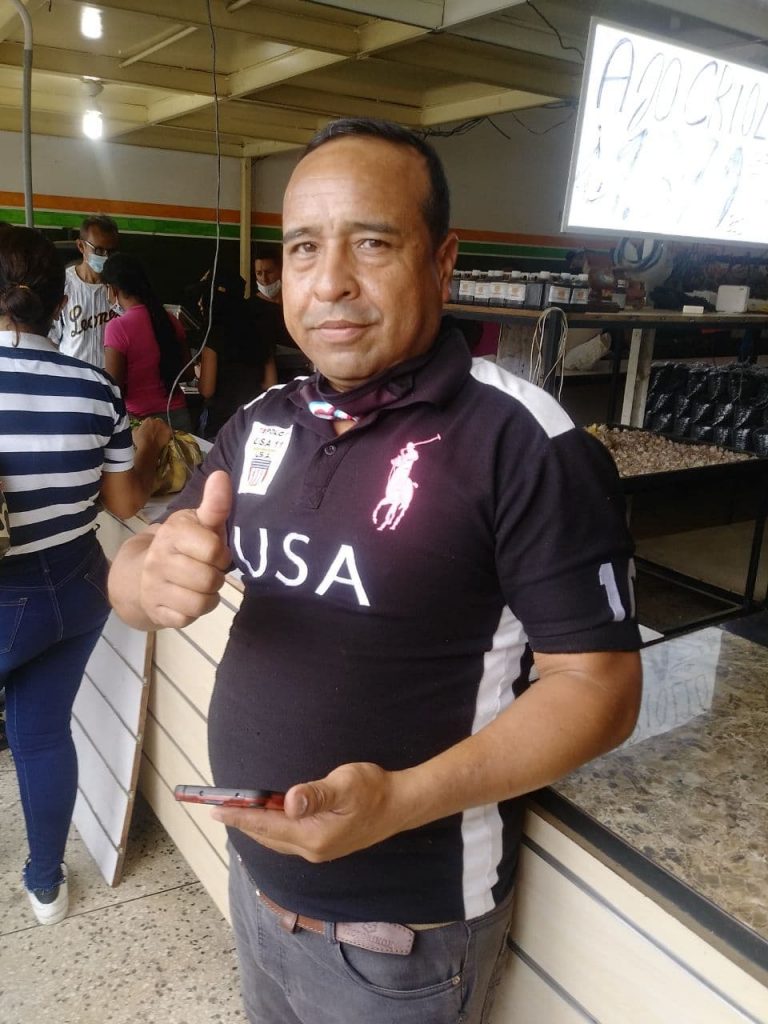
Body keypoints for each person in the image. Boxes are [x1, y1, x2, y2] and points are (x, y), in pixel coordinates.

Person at [107, 119, 642, 1024]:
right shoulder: (264, 420)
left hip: (402, 939)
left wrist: (400, 801)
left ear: (442, 261)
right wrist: (142, 579)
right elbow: (138, 560)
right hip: (255, 886)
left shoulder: (523, 442)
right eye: (303, 249)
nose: (330, 282)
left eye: (372, 243)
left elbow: (600, 689)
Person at [0, 226, 171, 926]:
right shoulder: (95, 388)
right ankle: (46, 886)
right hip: (78, 588)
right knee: (42, 735)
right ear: (61, 303)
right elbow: (124, 502)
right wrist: (152, 447)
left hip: (5, 594)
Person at [101, 252, 194, 431]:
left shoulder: (117, 327)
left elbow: (115, 388)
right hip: (178, 418)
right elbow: (188, 373)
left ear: (112, 289)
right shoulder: (170, 320)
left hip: (140, 424)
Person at [194, 267, 277, 439]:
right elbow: (270, 384)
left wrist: (199, 373)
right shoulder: (259, 330)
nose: (200, 303)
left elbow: (207, 390)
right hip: (253, 424)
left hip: (221, 427)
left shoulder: (214, 335)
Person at [51, 213, 120, 366]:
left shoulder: (121, 285)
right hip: (72, 372)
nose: (106, 257)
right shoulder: (63, 284)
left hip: (109, 374)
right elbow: (52, 338)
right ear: (81, 246)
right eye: (99, 250)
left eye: (111, 251)